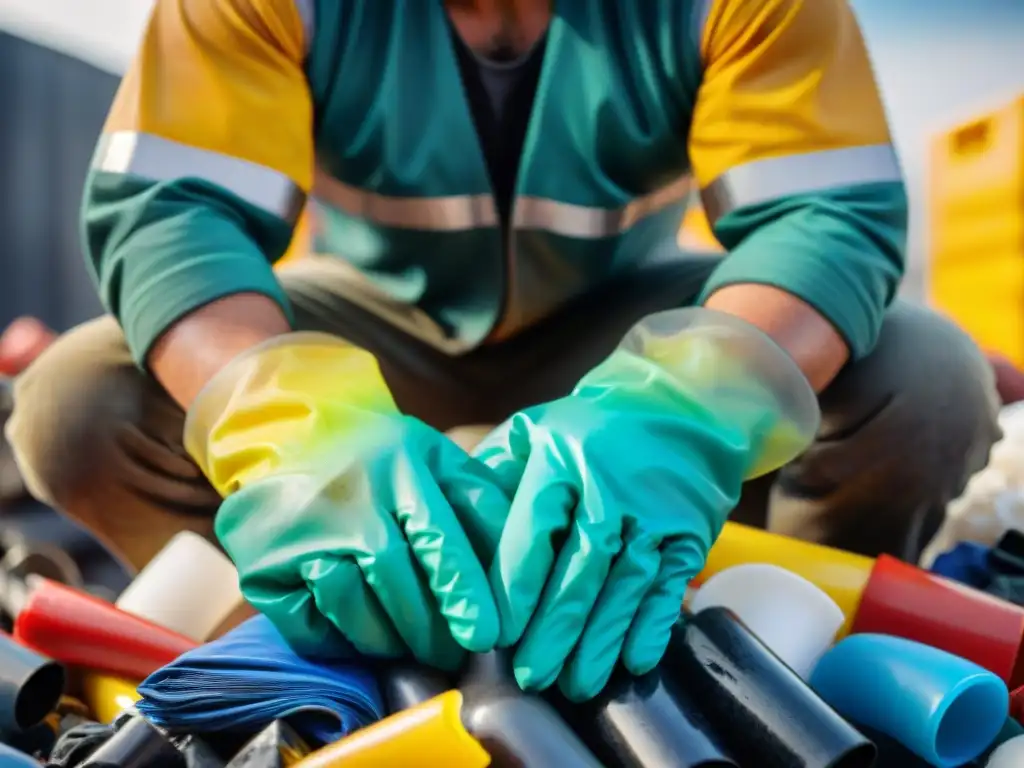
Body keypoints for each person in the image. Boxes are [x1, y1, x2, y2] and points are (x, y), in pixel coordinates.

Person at [6, 0, 999, 701]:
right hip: (374, 327)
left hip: (624, 324)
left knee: (924, 378)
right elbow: (175, 212)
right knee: (78, 400)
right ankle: (286, 636)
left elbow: (823, 216)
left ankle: (770, 639)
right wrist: (293, 427)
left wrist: (684, 410)